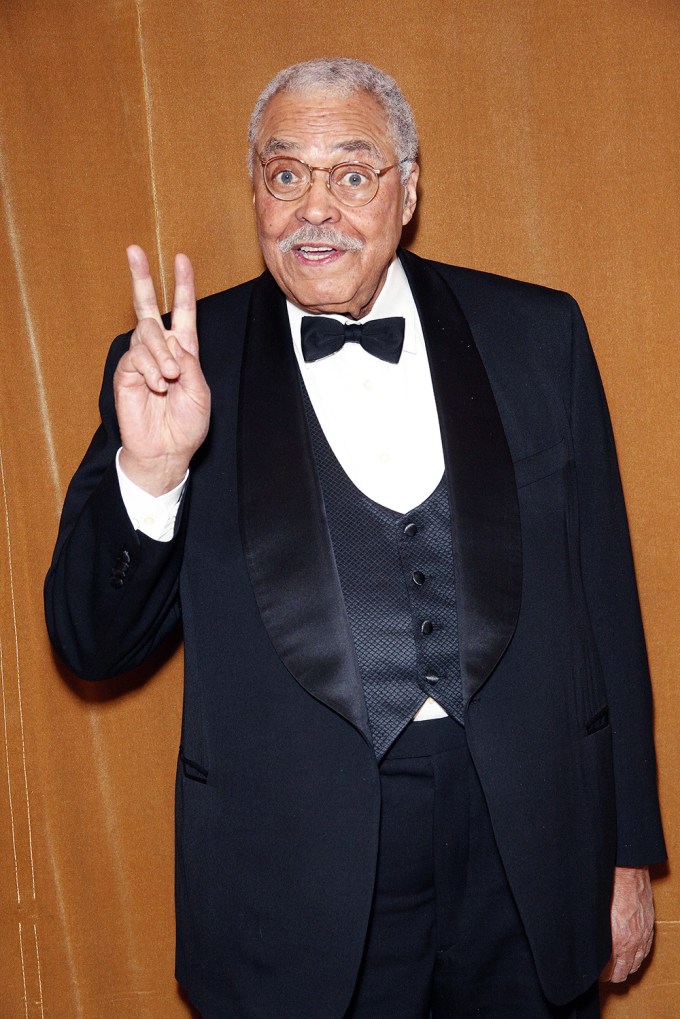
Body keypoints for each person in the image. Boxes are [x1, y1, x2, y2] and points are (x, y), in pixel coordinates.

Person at [45, 58, 666, 1018]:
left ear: (408, 191)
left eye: (352, 171)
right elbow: (90, 643)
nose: (314, 208)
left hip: (530, 847)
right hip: (294, 873)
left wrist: (628, 849)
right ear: (256, 190)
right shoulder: (172, 369)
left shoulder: (539, 334)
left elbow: (605, 608)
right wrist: (154, 474)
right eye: (286, 173)